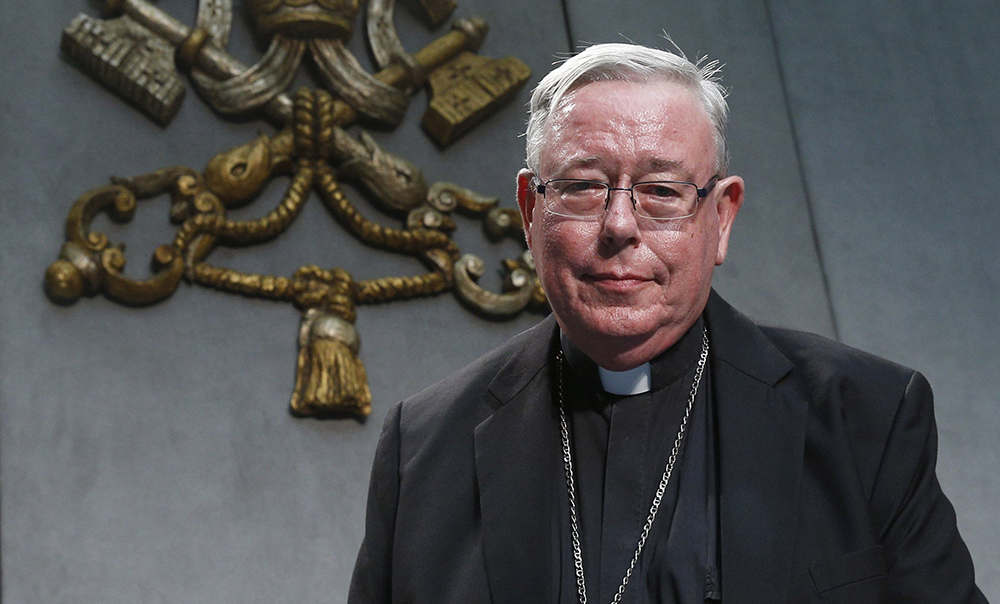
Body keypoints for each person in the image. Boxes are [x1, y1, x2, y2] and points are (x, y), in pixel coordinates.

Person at [348, 43, 987, 603]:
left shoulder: (865, 419)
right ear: (529, 210)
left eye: (661, 190)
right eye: (581, 187)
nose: (620, 226)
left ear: (722, 217)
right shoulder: (424, 450)